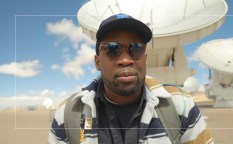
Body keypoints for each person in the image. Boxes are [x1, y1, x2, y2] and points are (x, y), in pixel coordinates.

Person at [48, 13, 213, 144]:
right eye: (112, 49)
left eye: (136, 48)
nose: (125, 60)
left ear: (145, 56)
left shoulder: (180, 105)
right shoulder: (68, 115)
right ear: (97, 62)